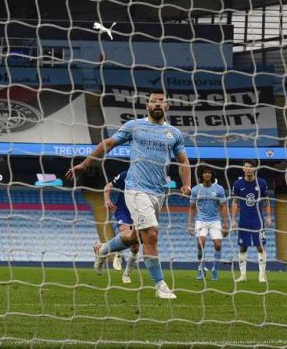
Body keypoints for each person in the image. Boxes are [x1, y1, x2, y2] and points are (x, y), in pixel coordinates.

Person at [67, 91, 191, 300]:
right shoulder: (134, 126)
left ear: (167, 106)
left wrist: (187, 184)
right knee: (151, 234)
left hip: (158, 192)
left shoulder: (174, 134)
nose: (157, 104)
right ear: (147, 106)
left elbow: (183, 162)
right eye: (153, 101)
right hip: (135, 189)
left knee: (137, 237)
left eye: (161, 101)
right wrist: (86, 164)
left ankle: (103, 249)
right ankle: (160, 285)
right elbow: (108, 143)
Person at [231, 160, 272, 283]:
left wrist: (268, 216)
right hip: (243, 221)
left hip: (258, 221)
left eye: (251, 167)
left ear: (255, 169)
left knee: (260, 247)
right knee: (243, 247)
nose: (248, 169)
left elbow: (267, 201)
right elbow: (234, 202)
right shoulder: (238, 184)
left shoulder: (262, 183)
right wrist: (233, 220)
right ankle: (243, 275)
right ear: (243, 168)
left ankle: (261, 275)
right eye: (246, 166)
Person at [188, 167, 228, 281]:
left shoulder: (219, 189)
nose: (207, 174)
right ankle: (201, 268)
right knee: (201, 243)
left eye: (209, 172)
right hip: (200, 220)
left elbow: (223, 206)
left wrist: (225, 223)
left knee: (218, 245)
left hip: (215, 220)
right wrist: (190, 224)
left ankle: (215, 270)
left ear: (212, 175)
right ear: (201, 175)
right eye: (205, 172)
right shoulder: (195, 190)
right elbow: (191, 208)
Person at [103, 170, 139, 284]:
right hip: (123, 211)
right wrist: (107, 200)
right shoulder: (126, 175)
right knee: (125, 232)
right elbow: (108, 186)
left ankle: (126, 274)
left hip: (139, 213)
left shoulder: (149, 177)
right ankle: (118, 253)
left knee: (135, 248)